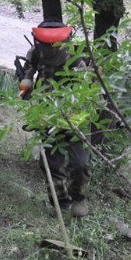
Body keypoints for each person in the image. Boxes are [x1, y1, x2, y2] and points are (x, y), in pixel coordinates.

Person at [18, 21, 91, 218]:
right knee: (51, 163)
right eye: (45, 45)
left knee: (79, 162)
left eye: (54, 46)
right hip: (46, 113)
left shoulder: (77, 60)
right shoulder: (35, 52)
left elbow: (87, 94)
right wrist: (26, 84)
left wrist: (73, 117)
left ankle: (79, 198)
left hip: (74, 116)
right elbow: (28, 70)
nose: (50, 50)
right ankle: (60, 203)